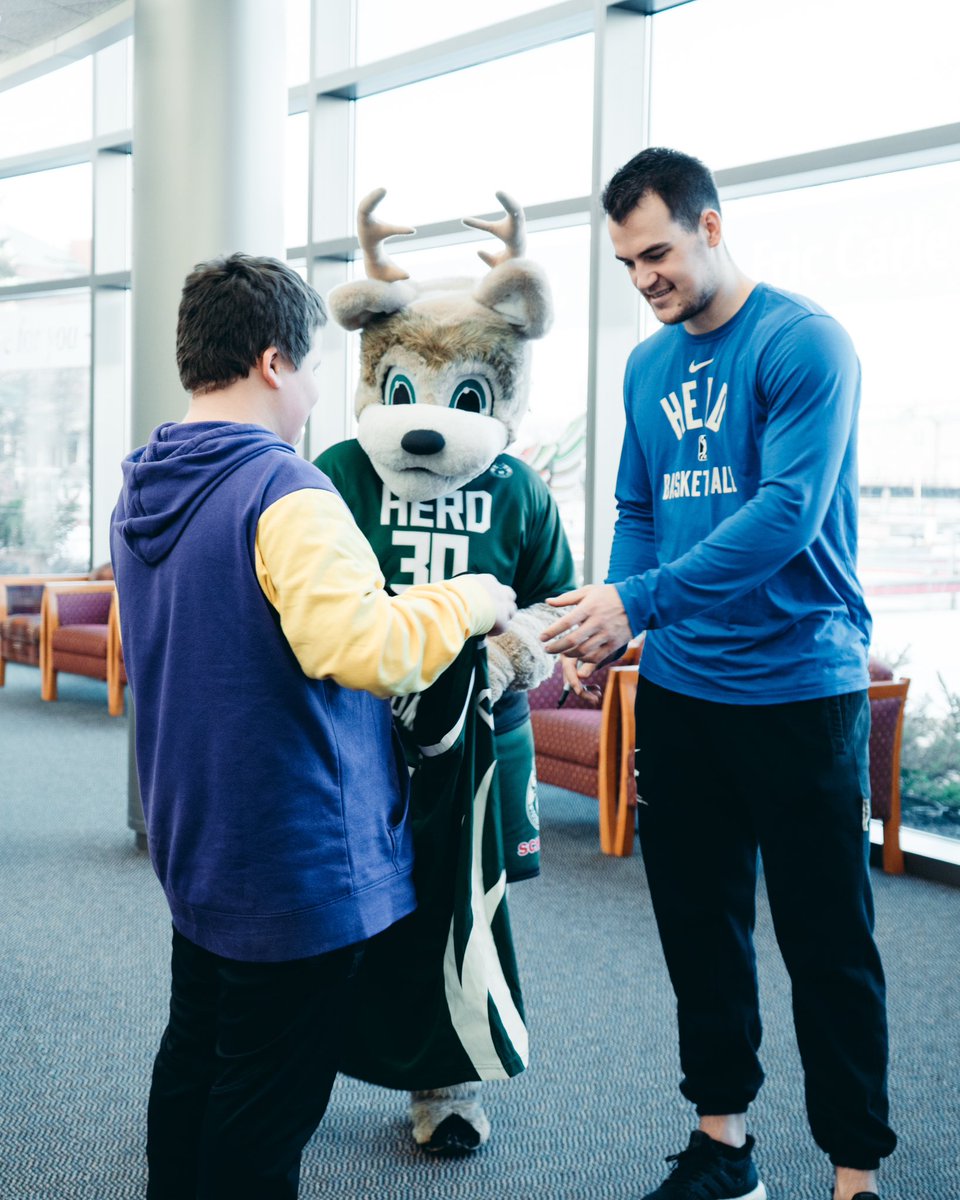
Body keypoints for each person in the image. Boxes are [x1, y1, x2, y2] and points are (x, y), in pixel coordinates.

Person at [109, 252, 516, 1200]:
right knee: (262, 1109)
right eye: (316, 367)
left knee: (198, 1060)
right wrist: (470, 597)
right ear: (273, 363)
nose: (318, 392)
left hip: (200, 840)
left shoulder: (146, 485)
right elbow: (364, 648)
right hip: (294, 861)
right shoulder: (284, 491)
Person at [540, 148, 895, 1200]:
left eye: (656, 252)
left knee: (828, 945)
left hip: (801, 689)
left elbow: (787, 514)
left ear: (710, 225)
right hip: (684, 693)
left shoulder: (803, 343)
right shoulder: (647, 367)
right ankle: (723, 1146)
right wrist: (612, 624)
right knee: (701, 931)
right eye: (626, 262)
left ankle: (855, 1173)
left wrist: (638, 603)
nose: (644, 277)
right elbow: (639, 509)